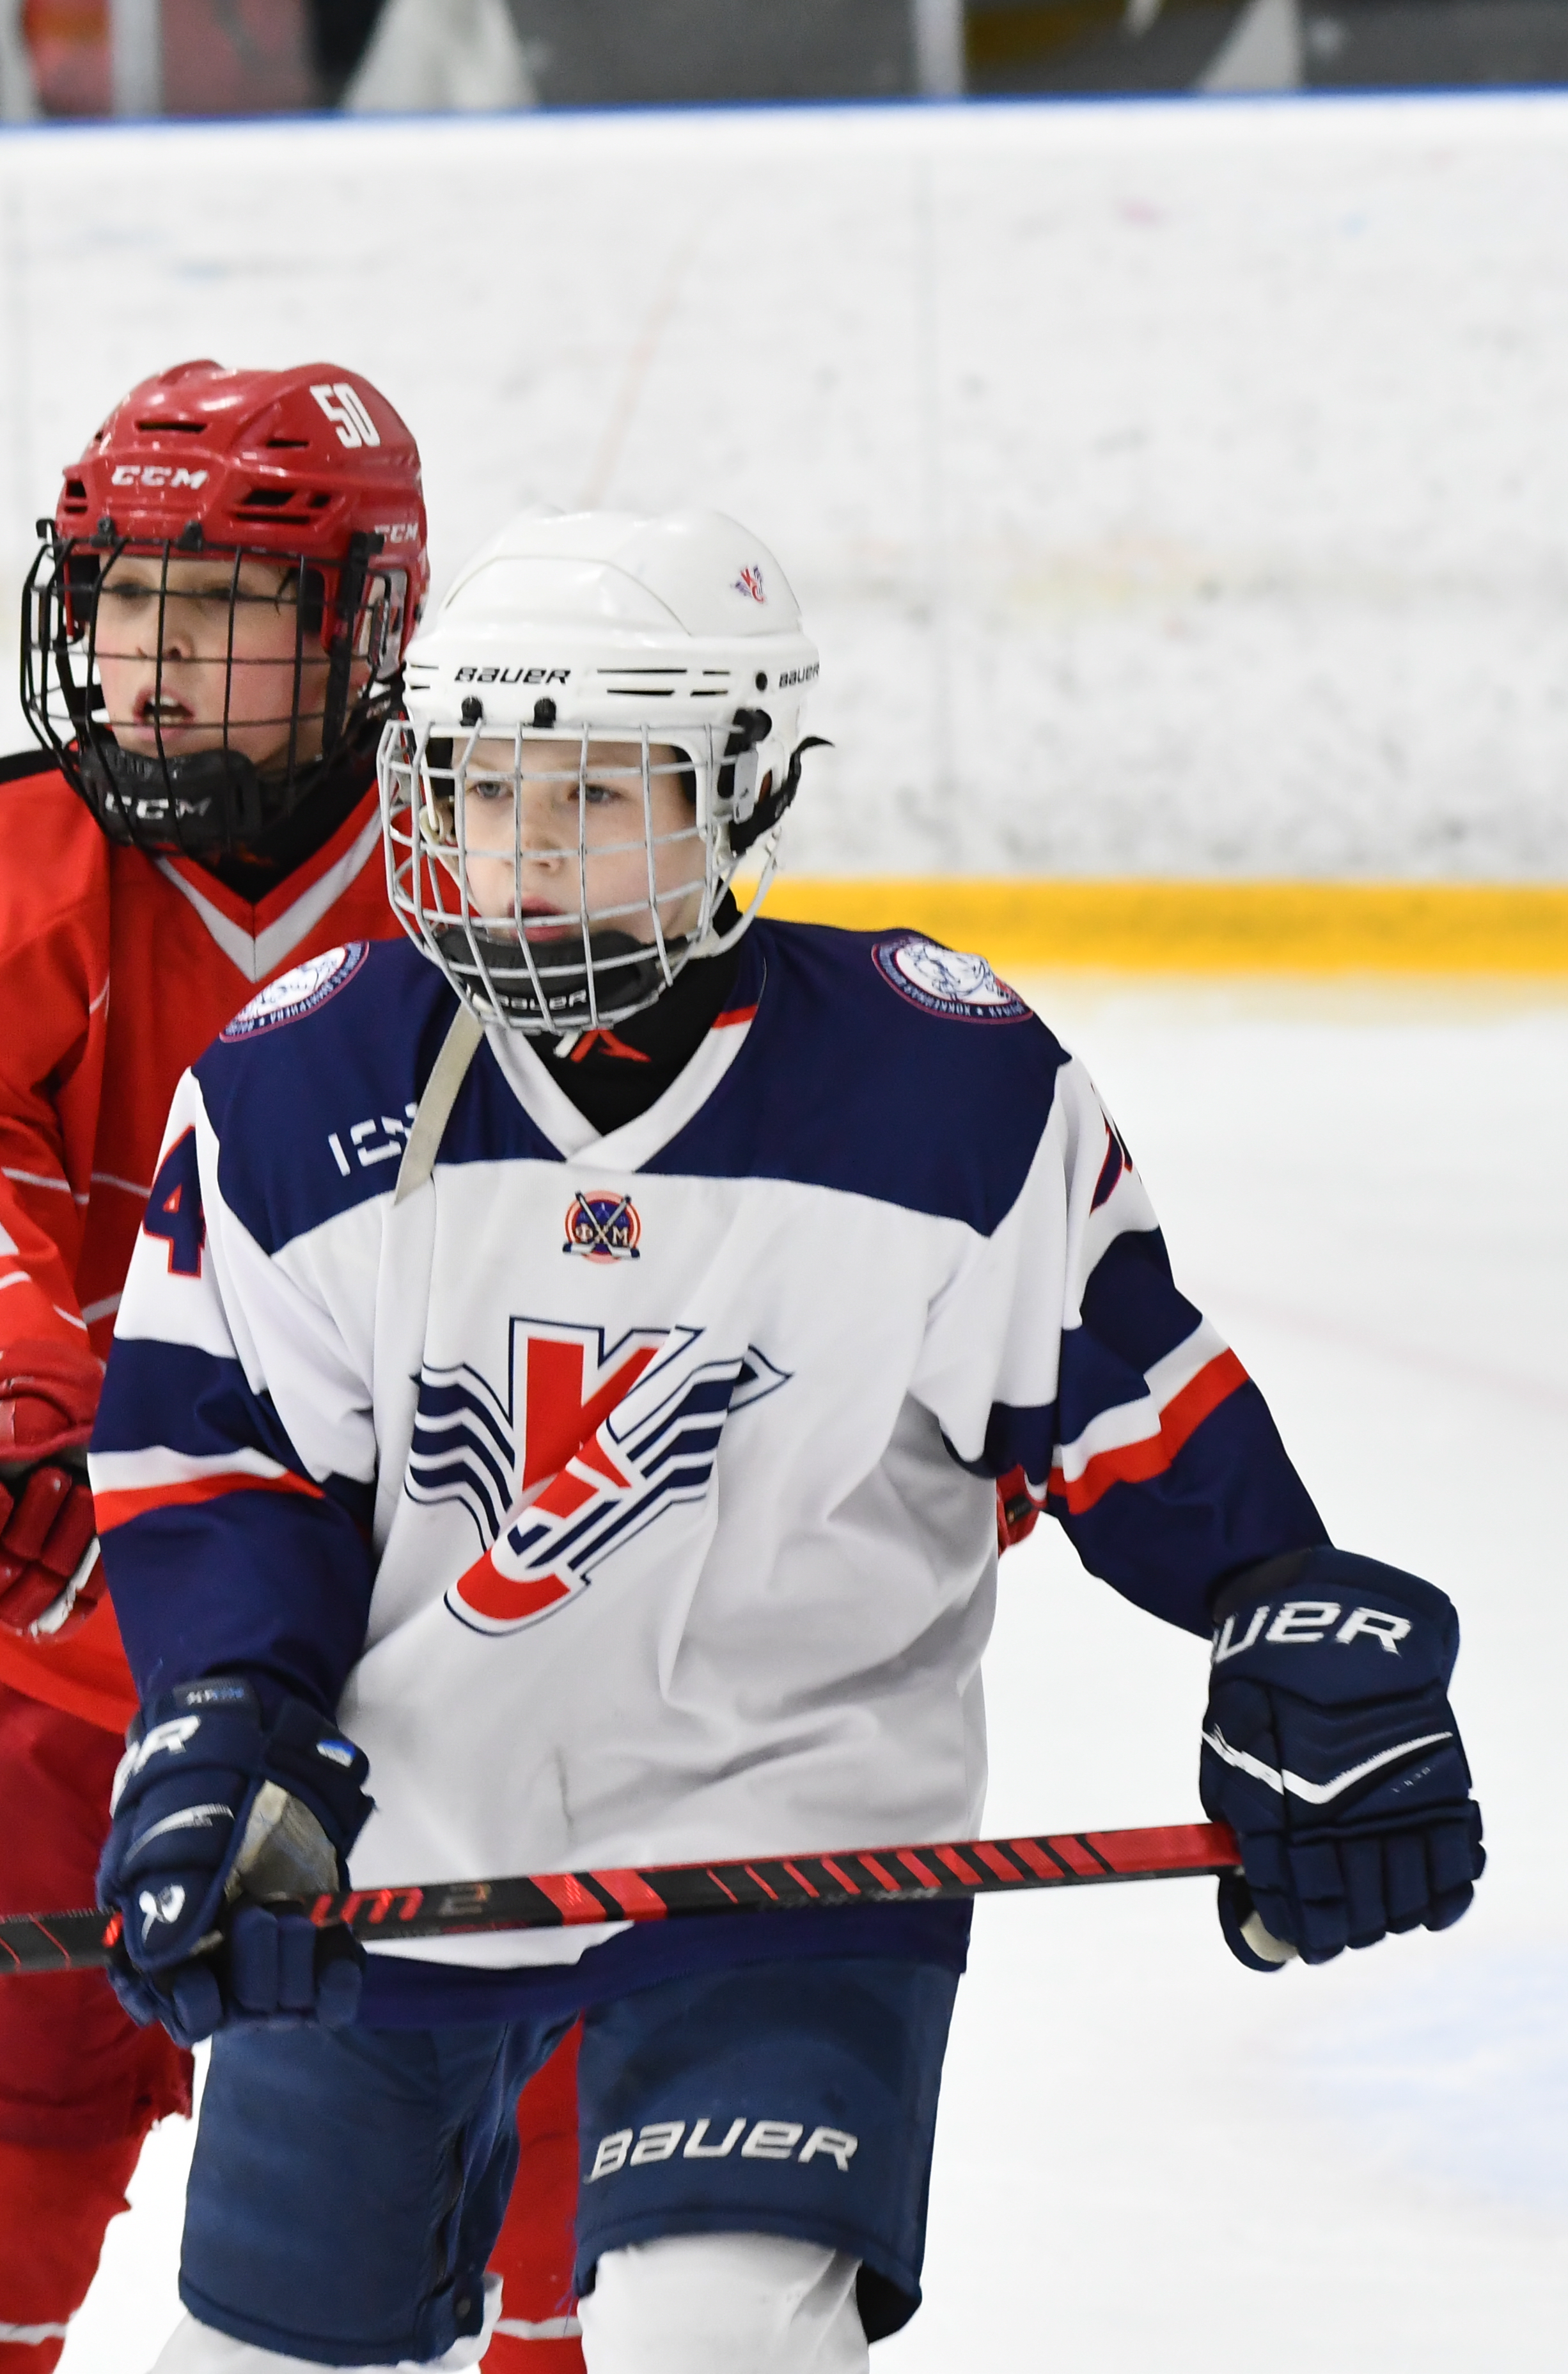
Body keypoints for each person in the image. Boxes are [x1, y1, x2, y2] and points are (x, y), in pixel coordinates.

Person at [88, 505, 1487, 2371]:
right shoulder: (294, 1085)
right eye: (481, 791)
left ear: (738, 789)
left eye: (589, 796)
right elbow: (225, 1466)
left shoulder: (940, 1088)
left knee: (714, 2335)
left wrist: (1288, 1624)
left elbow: (1139, 1425)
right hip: (400, 1828)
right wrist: (218, 1729)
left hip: (792, 1835)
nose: (517, 855)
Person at [0, 359, 581, 2374]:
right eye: (122, 601)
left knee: (556, 2238)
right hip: (57, 1683)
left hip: (455, 1706)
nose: (149, 665)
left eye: (223, 613)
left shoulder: (520, 902)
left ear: (367, 630)